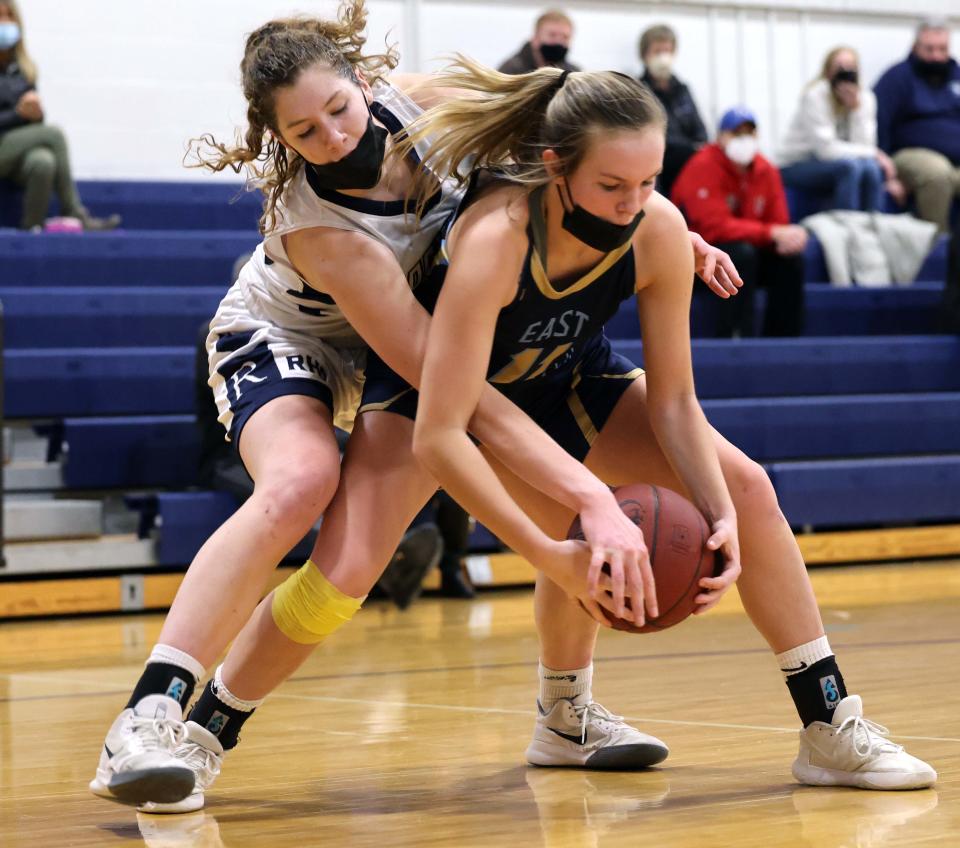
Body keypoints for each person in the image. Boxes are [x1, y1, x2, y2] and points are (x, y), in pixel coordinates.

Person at [89, 8, 742, 812]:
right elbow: (449, 390)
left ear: (365, 82)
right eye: (304, 131)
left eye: (338, 108)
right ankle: (150, 715)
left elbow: (589, 145)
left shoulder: (425, 102)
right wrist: (589, 497)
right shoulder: (326, 231)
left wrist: (658, 230)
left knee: (358, 563)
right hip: (289, 338)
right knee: (299, 486)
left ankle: (564, 713)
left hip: (406, 339)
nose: (331, 135)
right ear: (277, 138)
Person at [402, 61, 936, 792]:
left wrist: (721, 518)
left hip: (573, 372)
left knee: (746, 488)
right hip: (475, 404)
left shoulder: (657, 227)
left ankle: (828, 723)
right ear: (555, 166)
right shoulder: (497, 239)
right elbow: (444, 428)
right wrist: (560, 537)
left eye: (649, 182)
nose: (633, 203)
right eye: (612, 186)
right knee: (591, 540)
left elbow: (675, 401)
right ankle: (564, 714)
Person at [672, 106, 806, 338]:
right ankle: (735, 336)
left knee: (789, 260)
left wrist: (788, 237)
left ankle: (783, 339)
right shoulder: (702, 166)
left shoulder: (766, 170)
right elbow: (713, 227)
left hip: (748, 252)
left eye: (749, 133)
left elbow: (779, 224)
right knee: (741, 255)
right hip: (696, 259)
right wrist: (771, 233)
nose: (744, 140)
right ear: (721, 137)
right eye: (736, 133)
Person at [0, 0, 119, 230]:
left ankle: (32, 229)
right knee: (54, 135)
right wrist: (18, 114)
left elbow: (33, 127)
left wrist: (35, 114)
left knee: (43, 161)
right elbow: (26, 123)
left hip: (15, 150)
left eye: (8, 16)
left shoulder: (25, 69)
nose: (4, 23)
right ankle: (74, 211)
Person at [779, 46, 904, 213]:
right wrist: (874, 153)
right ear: (828, 71)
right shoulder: (815, 96)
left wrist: (855, 109)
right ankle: (847, 229)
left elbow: (866, 144)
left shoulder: (865, 98)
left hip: (839, 162)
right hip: (797, 163)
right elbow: (826, 151)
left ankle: (874, 226)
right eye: (839, 67)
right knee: (850, 167)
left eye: (850, 68)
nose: (845, 72)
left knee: (871, 168)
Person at [874, 17, 960, 233]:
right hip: (908, 155)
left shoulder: (956, 76)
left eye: (942, 49)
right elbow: (877, 124)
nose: (936, 56)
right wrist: (887, 176)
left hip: (954, 159)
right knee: (937, 174)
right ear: (915, 47)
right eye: (929, 49)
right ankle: (937, 251)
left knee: (944, 172)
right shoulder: (897, 77)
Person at [637, 24, 707, 199]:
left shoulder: (683, 90)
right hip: (657, 163)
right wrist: (687, 147)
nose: (663, 57)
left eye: (667, 51)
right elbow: (646, 135)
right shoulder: (637, 90)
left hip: (688, 164)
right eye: (657, 51)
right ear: (645, 55)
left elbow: (701, 133)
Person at [498, 9, 579, 76]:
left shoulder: (574, 74)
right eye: (552, 35)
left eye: (565, 37)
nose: (559, 41)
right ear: (536, 38)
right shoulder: (510, 72)